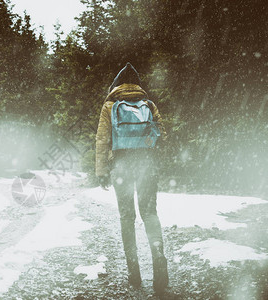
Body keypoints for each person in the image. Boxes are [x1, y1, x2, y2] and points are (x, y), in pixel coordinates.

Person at [95, 62, 168, 294]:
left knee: (127, 217)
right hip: (146, 164)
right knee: (150, 213)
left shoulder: (110, 105)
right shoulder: (149, 104)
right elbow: (162, 135)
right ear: (137, 84)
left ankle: (134, 272)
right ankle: (159, 265)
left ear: (116, 84)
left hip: (121, 165)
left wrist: (101, 171)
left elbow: (102, 139)